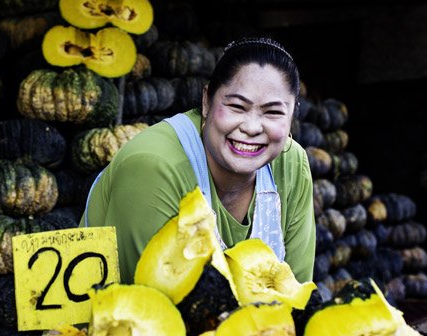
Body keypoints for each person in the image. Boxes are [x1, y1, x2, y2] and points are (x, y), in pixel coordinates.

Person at [80, 37, 315, 284]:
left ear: (292, 117)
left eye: (273, 112)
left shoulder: (292, 164)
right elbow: (151, 303)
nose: (252, 127)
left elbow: (297, 292)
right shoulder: (154, 165)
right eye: (237, 106)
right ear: (206, 100)